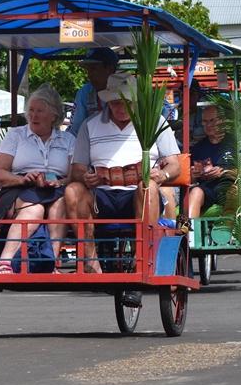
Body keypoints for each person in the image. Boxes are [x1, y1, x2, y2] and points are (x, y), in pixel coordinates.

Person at [63, 73, 180, 274]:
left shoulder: (154, 122)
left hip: (139, 193)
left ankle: (142, 257)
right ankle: (91, 262)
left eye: (127, 102)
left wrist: (162, 176)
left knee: (148, 186)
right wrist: (85, 177)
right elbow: (78, 168)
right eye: (116, 103)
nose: (121, 107)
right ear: (108, 101)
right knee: (73, 190)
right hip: (102, 195)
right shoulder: (90, 125)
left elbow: (175, 165)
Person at [0, 85, 75, 274]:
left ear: (54, 115)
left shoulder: (68, 139)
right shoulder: (16, 135)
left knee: (61, 204)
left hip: (56, 188)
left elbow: (74, 175)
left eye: (39, 111)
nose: (33, 115)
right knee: (35, 208)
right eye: (31, 110)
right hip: (19, 188)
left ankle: (51, 262)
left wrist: (60, 182)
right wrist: (22, 179)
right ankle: (4, 261)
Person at [186, 104, 234, 220]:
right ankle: (187, 234)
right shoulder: (197, 148)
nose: (208, 125)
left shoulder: (235, 143)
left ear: (222, 120)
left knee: (234, 191)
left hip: (230, 187)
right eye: (205, 121)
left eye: (212, 120)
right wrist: (193, 175)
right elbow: (190, 180)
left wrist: (223, 172)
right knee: (195, 191)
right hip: (207, 190)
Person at [68, 47, 119, 137]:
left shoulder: (126, 91)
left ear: (110, 69)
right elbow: (76, 130)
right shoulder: (84, 93)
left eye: (93, 69)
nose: (89, 75)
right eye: (87, 70)